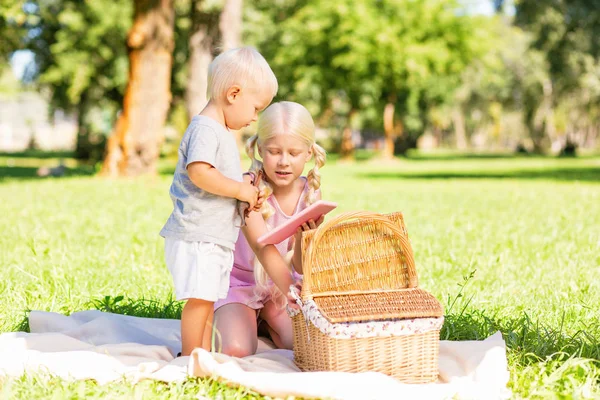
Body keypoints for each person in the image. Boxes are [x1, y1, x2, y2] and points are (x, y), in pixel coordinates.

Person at [159, 46, 278, 356]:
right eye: (255, 108)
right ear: (233, 93)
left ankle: (201, 351)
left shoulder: (219, 131)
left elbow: (218, 179)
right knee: (200, 299)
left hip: (211, 235)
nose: (255, 117)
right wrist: (239, 190)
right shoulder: (205, 129)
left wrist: (245, 190)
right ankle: (188, 356)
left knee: (208, 297)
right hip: (198, 235)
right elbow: (200, 172)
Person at [213, 101, 327, 357]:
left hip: (279, 287)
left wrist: (303, 238)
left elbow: (298, 267)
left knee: (303, 345)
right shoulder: (247, 187)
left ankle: (263, 320)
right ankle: (240, 316)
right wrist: (291, 293)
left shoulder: (310, 192)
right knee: (235, 349)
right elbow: (262, 246)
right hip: (240, 283)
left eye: (294, 153)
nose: (284, 162)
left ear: (309, 153)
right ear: (260, 149)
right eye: (274, 151)